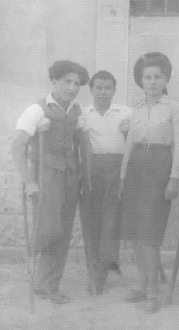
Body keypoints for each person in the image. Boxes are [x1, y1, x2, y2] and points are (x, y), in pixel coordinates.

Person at [11, 60, 89, 304]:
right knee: (49, 228)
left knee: (63, 232)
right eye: (67, 81)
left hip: (70, 176)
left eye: (76, 83)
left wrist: (85, 177)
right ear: (54, 81)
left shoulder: (78, 111)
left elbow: (85, 147)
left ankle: (48, 285)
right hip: (46, 175)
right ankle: (33, 256)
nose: (72, 87)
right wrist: (29, 181)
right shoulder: (37, 109)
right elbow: (17, 146)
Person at [118, 52, 179, 314]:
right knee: (136, 233)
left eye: (158, 76)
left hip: (159, 169)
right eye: (147, 77)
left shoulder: (174, 108)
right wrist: (123, 177)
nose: (153, 81)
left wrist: (174, 178)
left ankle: (153, 293)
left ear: (166, 78)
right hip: (136, 168)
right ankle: (144, 283)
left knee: (150, 234)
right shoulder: (134, 110)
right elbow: (129, 146)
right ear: (140, 80)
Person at [80, 70, 133, 294]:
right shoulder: (81, 114)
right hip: (91, 170)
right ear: (91, 90)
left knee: (111, 221)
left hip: (117, 170)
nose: (102, 92)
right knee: (91, 223)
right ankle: (95, 271)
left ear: (114, 90)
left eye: (107, 88)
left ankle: (103, 269)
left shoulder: (126, 113)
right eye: (98, 88)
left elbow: (138, 138)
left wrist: (129, 130)